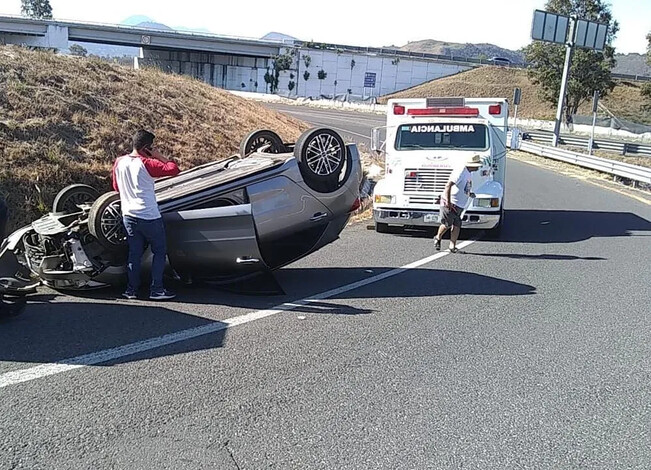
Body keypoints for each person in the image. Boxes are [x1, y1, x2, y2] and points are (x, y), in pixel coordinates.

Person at [112, 130, 180, 300]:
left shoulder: (119, 162)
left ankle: (131, 290)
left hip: (128, 214)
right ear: (146, 148)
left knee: (134, 253)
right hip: (149, 215)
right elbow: (174, 169)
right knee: (159, 250)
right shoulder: (148, 163)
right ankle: (157, 289)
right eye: (152, 147)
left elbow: (116, 187)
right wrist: (160, 156)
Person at [434, 154, 482, 253]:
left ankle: (452, 246)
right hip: (451, 202)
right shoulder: (461, 172)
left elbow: (465, 187)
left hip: (460, 203)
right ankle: (438, 237)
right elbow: (448, 185)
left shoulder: (469, 173)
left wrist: (469, 194)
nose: (478, 167)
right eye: (476, 165)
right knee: (447, 223)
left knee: (457, 224)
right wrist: (448, 201)